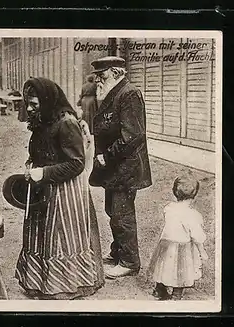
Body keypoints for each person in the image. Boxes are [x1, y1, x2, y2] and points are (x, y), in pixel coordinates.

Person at [15, 77, 104, 300]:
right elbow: (39, 150)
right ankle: (39, 282)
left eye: (34, 104)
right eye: (28, 103)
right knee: (41, 235)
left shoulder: (66, 123)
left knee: (60, 237)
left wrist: (44, 173)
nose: (29, 108)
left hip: (65, 190)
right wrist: (31, 164)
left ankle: (64, 285)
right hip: (43, 187)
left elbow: (76, 163)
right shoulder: (43, 121)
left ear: (47, 101)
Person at [89, 56, 152, 279]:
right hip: (114, 168)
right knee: (113, 211)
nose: (98, 80)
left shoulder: (128, 94)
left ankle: (129, 261)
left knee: (121, 214)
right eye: (96, 75)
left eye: (102, 75)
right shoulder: (112, 93)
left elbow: (133, 135)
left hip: (124, 167)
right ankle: (117, 253)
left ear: (116, 73)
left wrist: (107, 156)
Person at [147, 176, 208, 300]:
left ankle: (159, 289)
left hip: (166, 244)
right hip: (182, 247)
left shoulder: (169, 208)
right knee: (181, 271)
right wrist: (202, 252)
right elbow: (197, 236)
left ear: (174, 192)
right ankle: (176, 295)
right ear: (194, 195)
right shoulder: (192, 215)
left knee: (163, 267)